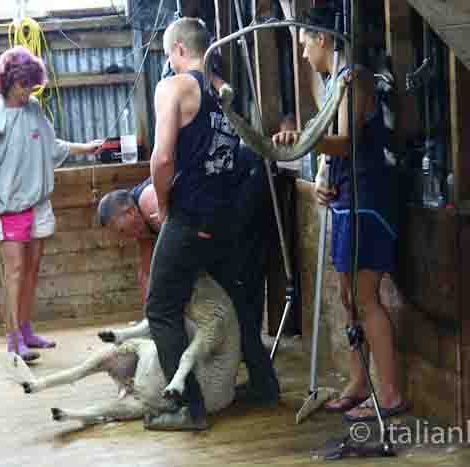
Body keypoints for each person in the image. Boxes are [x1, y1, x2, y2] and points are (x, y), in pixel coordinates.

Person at [129, 17, 277, 431]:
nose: (167, 61)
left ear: (178, 50)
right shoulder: (222, 97)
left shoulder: (174, 87)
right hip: (225, 219)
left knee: (161, 308)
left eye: (166, 54)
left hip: (189, 216)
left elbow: (161, 159)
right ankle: (265, 385)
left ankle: (187, 407)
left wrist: (162, 205)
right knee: (238, 300)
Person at [272, 4, 408, 422]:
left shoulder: (355, 79)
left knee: (365, 297)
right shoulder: (333, 82)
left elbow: (346, 141)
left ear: (323, 40)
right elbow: (335, 151)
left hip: (370, 200)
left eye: (304, 44)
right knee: (348, 297)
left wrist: (304, 139)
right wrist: (323, 181)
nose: (302, 54)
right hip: (348, 197)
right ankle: (358, 379)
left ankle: (390, 395)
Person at [96, 144, 279, 406]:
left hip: (246, 177)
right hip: (216, 209)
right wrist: (151, 320)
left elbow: (185, 251)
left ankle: (265, 388)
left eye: (120, 230)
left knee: (237, 301)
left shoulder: (151, 204)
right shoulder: (142, 219)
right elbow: (150, 274)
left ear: (129, 212)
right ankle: (261, 382)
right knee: (225, 300)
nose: (123, 239)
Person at [0, 46, 101, 362]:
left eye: (31, 85)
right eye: (23, 85)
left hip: (38, 200)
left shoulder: (33, 108)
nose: (28, 92)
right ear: (8, 82)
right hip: (10, 204)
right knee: (14, 270)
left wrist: (85, 148)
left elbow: (51, 146)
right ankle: (12, 338)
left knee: (31, 269)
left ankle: (26, 329)